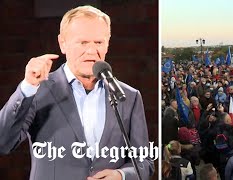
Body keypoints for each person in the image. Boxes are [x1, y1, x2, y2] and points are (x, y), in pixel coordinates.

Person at [0, 5, 154, 180]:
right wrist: (27, 87)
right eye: (83, 42)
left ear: (107, 44)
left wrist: (121, 175)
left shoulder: (128, 96)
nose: (91, 51)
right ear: (62, 43)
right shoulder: (38, 90)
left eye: (98, 42)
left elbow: (144, 162)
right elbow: (3, 142)